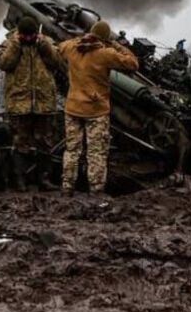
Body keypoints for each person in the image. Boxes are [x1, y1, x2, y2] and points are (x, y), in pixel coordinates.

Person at [56, 20, 139, 193]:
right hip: (96, 111)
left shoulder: (71, 48)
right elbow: (133, 63)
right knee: (96, 152)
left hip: (73, 108)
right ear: (105, 39)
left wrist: (79, 40)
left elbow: (58, 48)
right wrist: (117, 45)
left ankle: (67, 187)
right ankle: (96, 189)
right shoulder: (105, 53)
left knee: (72, 150)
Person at [0, 19, 65, 189]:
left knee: (44, 143)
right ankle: (20, 180)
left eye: (31, 35)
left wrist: (44, 46)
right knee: (20, 143)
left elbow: (58, 62)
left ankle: (43, 179)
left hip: (43, 102)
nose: (29, 38)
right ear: (19, 33)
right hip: (19, 103)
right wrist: (16, 45)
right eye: (25, 35)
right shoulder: (8, 44)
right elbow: (3, 63)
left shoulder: (46, 43)